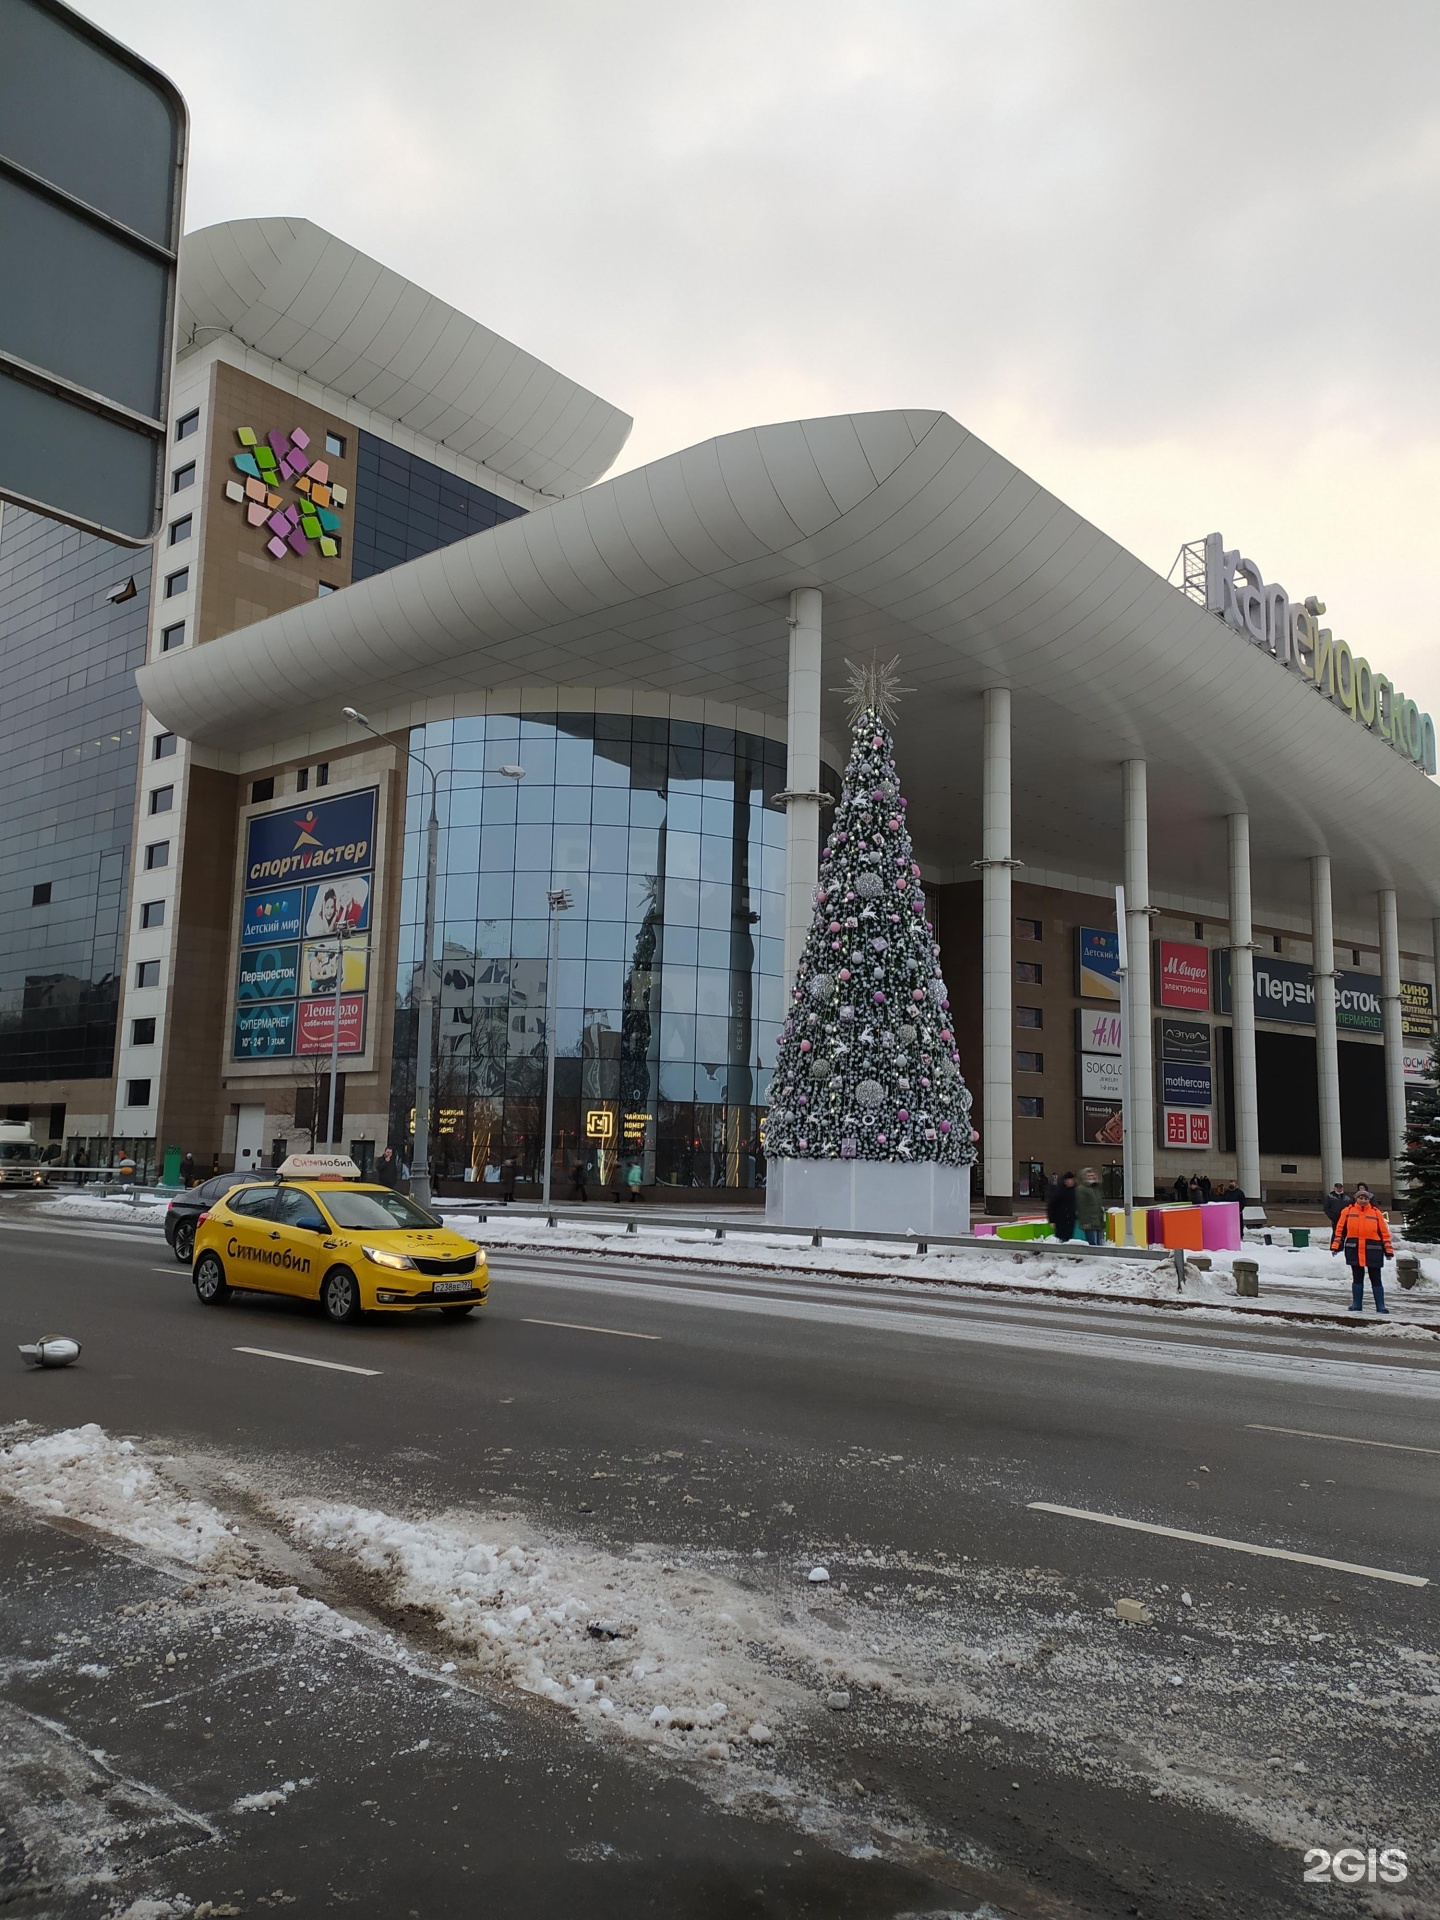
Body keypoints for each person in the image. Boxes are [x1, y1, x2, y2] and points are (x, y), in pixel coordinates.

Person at [1330, 1181, 1392, 1314]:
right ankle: (1356, 1304)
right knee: (1357, 1277)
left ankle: (1380, 1306)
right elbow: (1340, 1230)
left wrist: (1388, 1249)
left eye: (1365, 1198)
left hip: (1373, 1249)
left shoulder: (1376, 1213)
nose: (1363, 1200)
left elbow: (1384, 1232)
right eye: (1361, 1198)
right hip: (1354, 1248)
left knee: (1376, 1278)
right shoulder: (1347, 1211)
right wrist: (1336, 1245)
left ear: (1369, 1200)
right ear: (1356, 1199)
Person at [1076, 1168, 1106, 1246]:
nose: (1091, 1177)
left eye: (1092, 1175)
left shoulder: (1096, 1188)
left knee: (1100, 1244)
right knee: (1093, 1244)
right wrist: (1085, 1222)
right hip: (1089, 1222)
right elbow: (1081, 1207)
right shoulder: (1081, 1189)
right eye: (1088, 1175)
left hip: (1098, 1221)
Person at [1046, 1171, 1078, 1243]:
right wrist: (1052, 1220)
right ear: (1065, 1181)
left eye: (1072, 1180)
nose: (1070, 1182)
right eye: (1068, 1180)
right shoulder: (1059, 1191)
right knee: (1061, 1238)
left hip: (1071, 1219)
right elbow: (1051, 1206)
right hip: (1060, 1220)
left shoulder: (1074, 1191)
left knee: (1069, 1238)